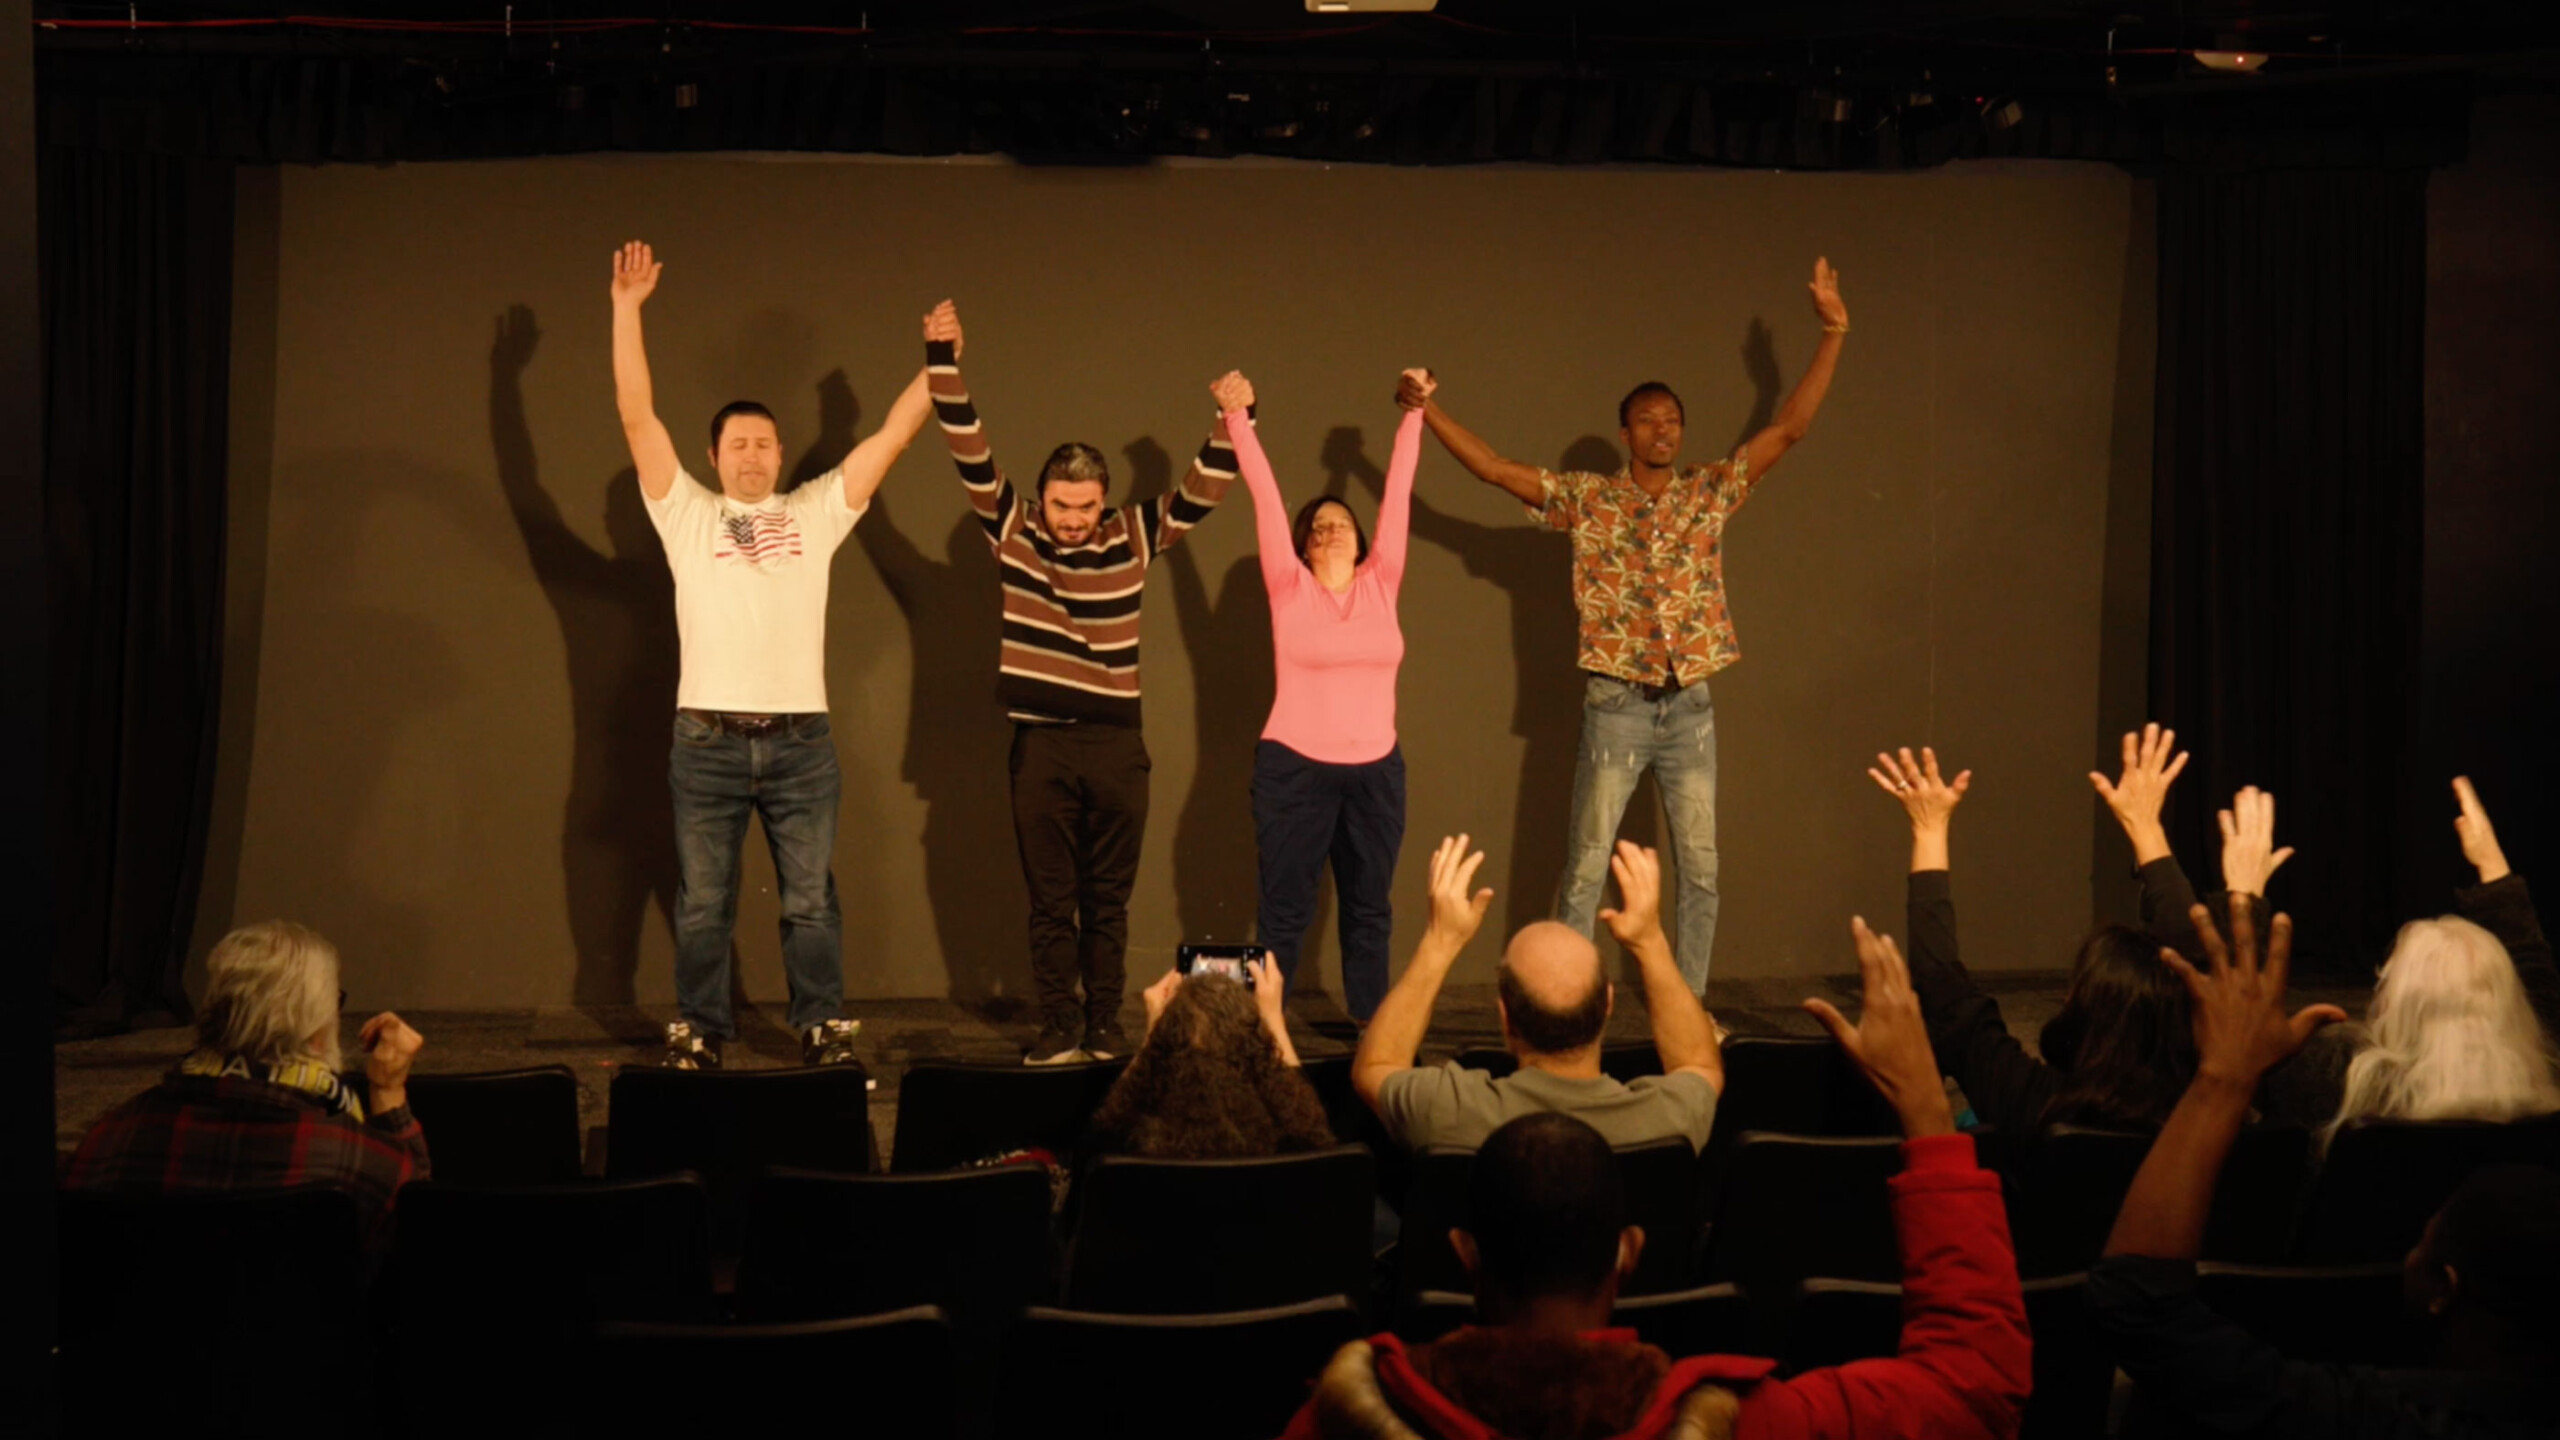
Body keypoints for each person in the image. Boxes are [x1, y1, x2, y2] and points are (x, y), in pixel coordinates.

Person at [1287, 918, 2031, 1440]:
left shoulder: (1348, 1417)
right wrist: (1928, 1113)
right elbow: (1975, 1386)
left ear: (1466, 1253)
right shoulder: (1745, 1422)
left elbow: (1375, 1069)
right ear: (1626, 1253)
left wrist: (1443, 937)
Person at [1398, 259, 1849, 993]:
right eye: (1648, 419)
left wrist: (1832, 328)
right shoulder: (1589, 499)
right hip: (1615, 705)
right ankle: (1564, 1005)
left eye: (1672, 420)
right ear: (1625, 432)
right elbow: (1490, 467)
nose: (1662, 430)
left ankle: (1692, 1006)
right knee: (1584, 864)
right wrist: (1423, 410)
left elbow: (1790, 428)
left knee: (1701, 868)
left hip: (1691, 706)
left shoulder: (1709, 490)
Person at [610, 241, 938, 1069]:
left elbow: (895, 436)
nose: (752, 455)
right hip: (707, 741)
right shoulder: (684, 512)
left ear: (781, 455)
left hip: (801, 743)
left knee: (810, 904)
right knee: (703, 904)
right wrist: (627, 308)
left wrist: (937, 363)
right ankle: (700, 1032)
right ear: (714, 455)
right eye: (737, 445)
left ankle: (822, 1027)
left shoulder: (817, 511)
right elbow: (635, 416)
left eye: (765, 444)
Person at [2088, 902, 2560, 1437]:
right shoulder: (2540, 1127)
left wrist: (2224, 1076)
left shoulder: (2353, 1412)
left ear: (2443, 1287)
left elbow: (2137, 1306)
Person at [923, 302, 1239, 1063]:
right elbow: (968, 447)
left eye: (1086, 506)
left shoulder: (1131, 534)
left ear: (1104, 501)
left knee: (1108, 903)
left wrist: (1236, 416)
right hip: (1041, 747)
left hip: (1116, 746)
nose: (1072, 520)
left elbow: (1206, 487)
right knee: (1051, 901)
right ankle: (1058, 1025)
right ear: (1043, 499)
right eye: (1062, 506)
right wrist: (942, 357)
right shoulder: (1014, 528)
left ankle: (1103, 1025)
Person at [1877, 732, 2290, 1136]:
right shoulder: (2211, 1106)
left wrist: (1928, 830)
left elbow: (1943, 989)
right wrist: (2241, 901)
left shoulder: (2028, 1099)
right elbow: (2221, 986)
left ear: (2076, 1008)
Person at [1218, 366, 1429, 1025]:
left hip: (1376, 773)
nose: (1332, 529)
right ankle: (1262, 1032)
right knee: (1283, 910)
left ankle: (1375, 1029)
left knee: (1370, 909)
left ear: (1363, 540)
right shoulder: (1288, 586)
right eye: (1319, 526)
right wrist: (1238, 420)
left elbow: (1399, 490)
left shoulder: (1382, 579)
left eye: (1342, 522)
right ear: (1302, 546)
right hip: (1294, 769)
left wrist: (1413, 414)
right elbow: (1263, 493)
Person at [64, 921, 430, 1250]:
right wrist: (387, 1091)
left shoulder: (111, 1138)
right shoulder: (358, 1161)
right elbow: (416, 1222)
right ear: (317, 1030)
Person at [1352, 834, 1723, 1152]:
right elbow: (1700, 1064)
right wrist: (1650, 942)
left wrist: (1440, 941)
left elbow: (1376, 1064)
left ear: (1505, 1016)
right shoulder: (1664, 1120)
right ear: (1608, 1004)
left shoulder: (1446, 1114)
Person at [2257, 777, 2560, 1134]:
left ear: (2394, 1002)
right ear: (2512, 1007)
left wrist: (2243, 894)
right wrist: (2493, 867)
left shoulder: (2337, 1088)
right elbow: (2540, 994)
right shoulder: (2543, 1093)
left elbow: (2229, 1044)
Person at [1086, 957, 1333, 1159]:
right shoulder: (1295, 1142)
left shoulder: (1125, 1146)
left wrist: (1152, 1038)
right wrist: (1275, 1021)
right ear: (1257, 1048)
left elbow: (1108, 1125)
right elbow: (1309, 1124)